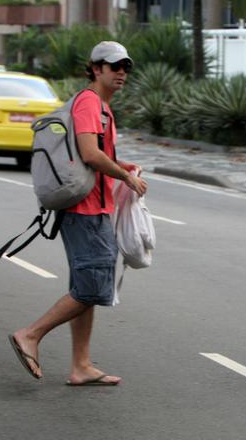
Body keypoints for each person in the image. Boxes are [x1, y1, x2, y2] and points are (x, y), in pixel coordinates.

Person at [9, 41, 147, 385]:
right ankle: (31, 334)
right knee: (94, 287)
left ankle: (81, 366)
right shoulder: (89, 103)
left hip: (93, 206)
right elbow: (89, 153)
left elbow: (98, 155)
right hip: (85, 210)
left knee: (85, 285)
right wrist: (126, 176)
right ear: (95, 68)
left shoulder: (100, 106)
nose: (121, 73)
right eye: (114, 66)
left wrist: (122, 165)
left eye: (125, 67)